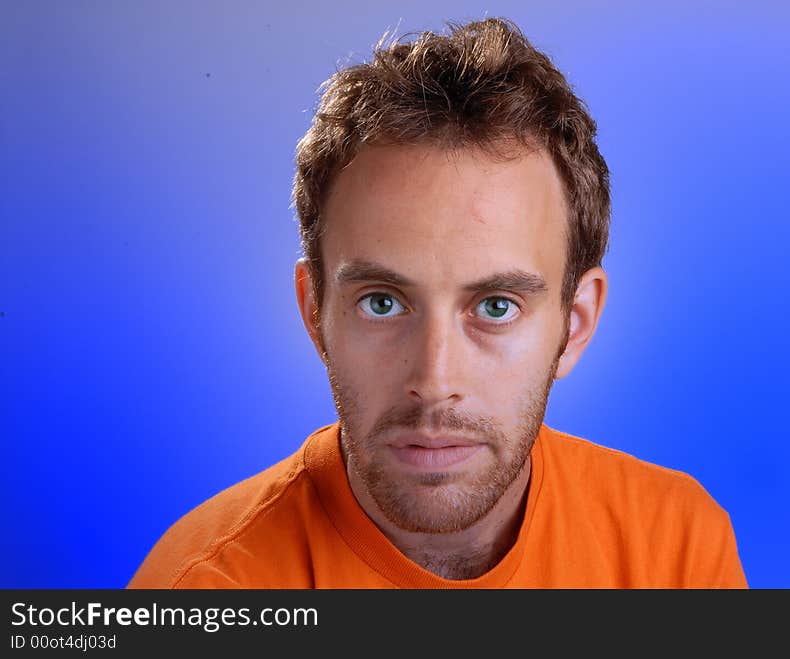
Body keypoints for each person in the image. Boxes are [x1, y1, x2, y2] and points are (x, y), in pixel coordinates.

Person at [128, 17, 748, 588]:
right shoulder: (206, 589)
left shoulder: (675, 551)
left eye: (496, 306)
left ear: (576, 323)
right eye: (382, 303)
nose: (434, 379)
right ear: (315, 310)